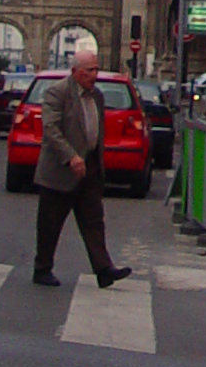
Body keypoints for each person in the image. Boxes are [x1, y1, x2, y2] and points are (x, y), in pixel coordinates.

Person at [33, 47, 133, 288]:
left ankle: (103, 269)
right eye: (90, 70)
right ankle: (42, 268)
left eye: (96, 69)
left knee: (93, 220)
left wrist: (93, 161)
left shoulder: (97, 95)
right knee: (50, 223)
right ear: (75, 71)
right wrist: (71, 157)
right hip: (60, 169)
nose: (94, 74)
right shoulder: (58, 93)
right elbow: (52, 130)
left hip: (88, 167)